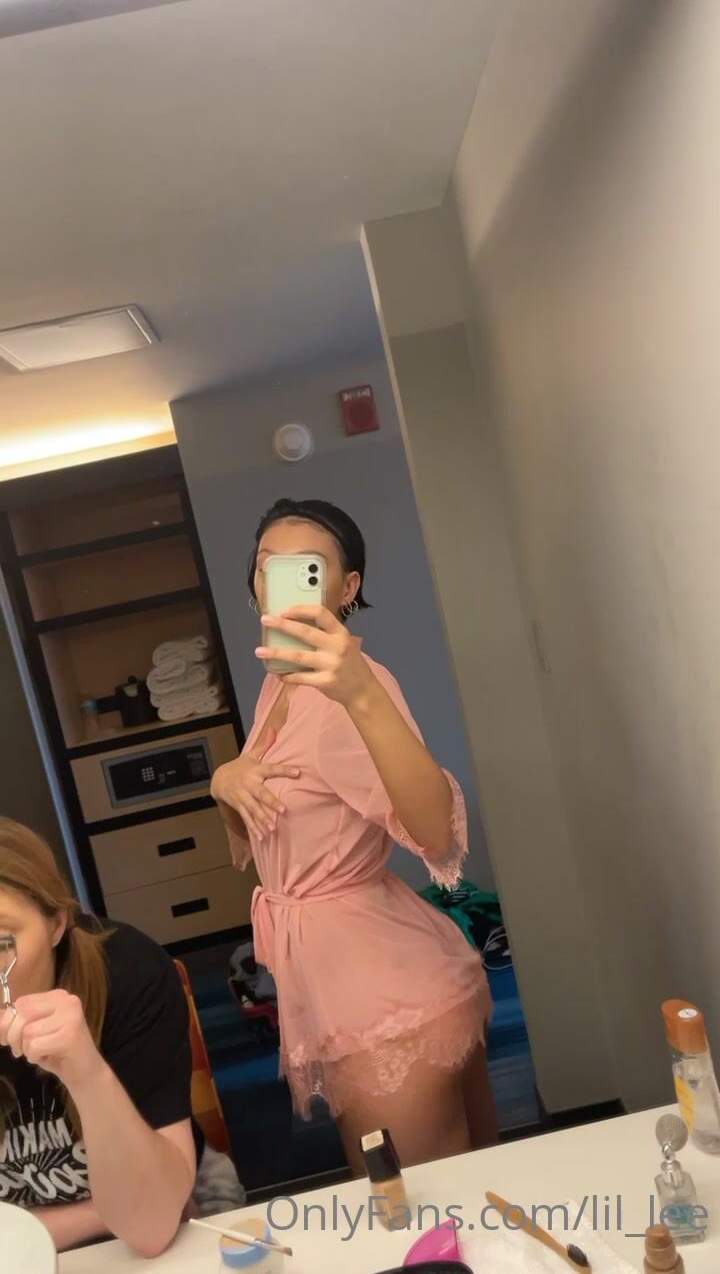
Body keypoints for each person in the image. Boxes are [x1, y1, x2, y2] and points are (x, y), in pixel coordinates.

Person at [211, 498, 497, 1175]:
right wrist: (225, 781)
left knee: (418, 1212)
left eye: (305, 568)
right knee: (447, 1203)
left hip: (386, 1004)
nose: (278, 581)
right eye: (266, 566)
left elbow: (436, 835)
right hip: (347, 984)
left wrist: (362, 695)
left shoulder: (352, 691)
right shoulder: (279, 685)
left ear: (346, 587)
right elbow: (264, 836)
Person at [0, 819, 198, 1256]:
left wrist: (86, 1072)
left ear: (57, 923)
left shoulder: (126, 973)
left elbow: (151, 1225)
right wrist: (97, 1215)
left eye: (0, 943)